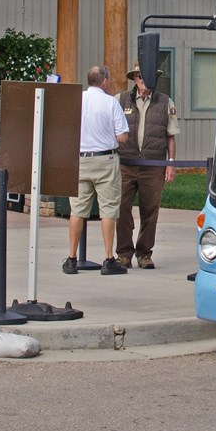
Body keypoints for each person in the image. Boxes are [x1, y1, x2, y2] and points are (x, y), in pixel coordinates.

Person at [65, 65, 129, 276]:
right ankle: (108, 258)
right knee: (108, 209)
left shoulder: (76, 101)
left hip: (80, 159)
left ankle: (72, 258)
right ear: (104, 81)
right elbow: (122, 136)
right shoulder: (111, 102)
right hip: (105, 159)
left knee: (77, 210)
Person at [115, 65, 178, 269]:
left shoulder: (165, 101)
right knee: (122, 208)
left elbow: (170, 137)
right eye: (139, 76)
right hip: (126, 164)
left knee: (150, 210)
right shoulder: (120, 99)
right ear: (134, 78)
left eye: (147, 76)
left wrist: (170, 164)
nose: (143, 79)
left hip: (153, 165)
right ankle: (124, 253)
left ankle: (144, 253)